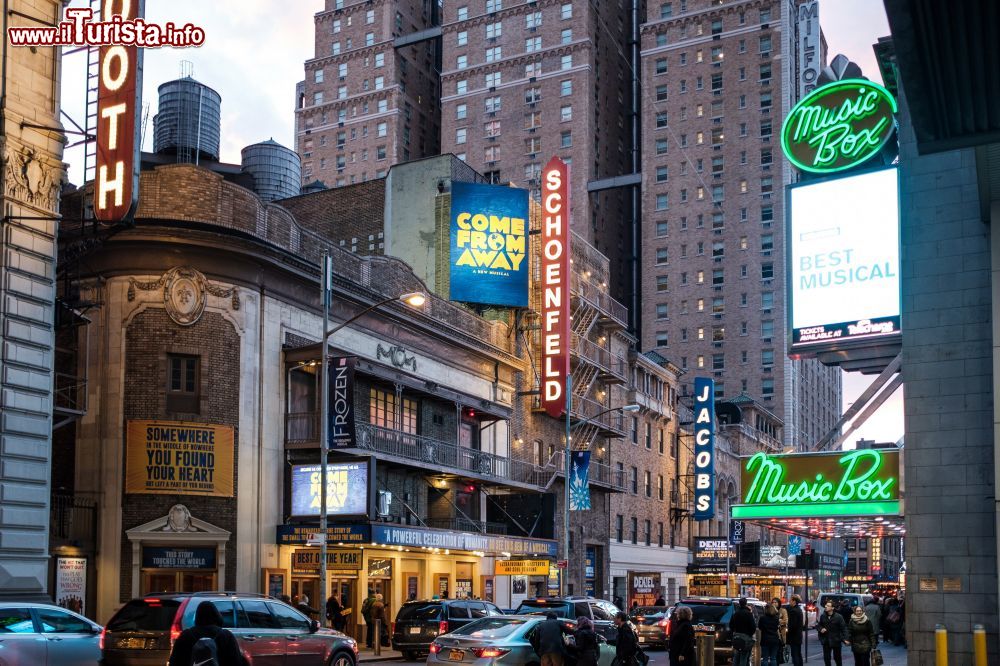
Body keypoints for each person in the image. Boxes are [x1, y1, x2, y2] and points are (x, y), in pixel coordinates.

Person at [168, 602, 248, 666]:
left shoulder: (185, 636)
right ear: (217, 615)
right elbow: (236, 662)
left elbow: (175, 662)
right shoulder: (226, 636)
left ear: (197, 616)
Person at [817, 601, 847, 666]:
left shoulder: (839, 617)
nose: (825, 606)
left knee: (837, 658)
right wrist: (821, 629)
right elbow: (819, 625)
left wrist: (845, 639)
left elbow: (844, 628)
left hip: (836, 640)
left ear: (832, 608)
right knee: (827, 659)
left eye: (828, 606)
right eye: (826, 605)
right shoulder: (823, 616)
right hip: (826, 640)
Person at [730, 598, 757, 666]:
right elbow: (753, 627)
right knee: (744, 656)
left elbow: (731, 625)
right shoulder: (748, 614)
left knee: (736, 655)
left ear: (739, 603)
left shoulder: (735, 613)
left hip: (737, 636)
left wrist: (735, 631)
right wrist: (749, 634)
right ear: (746, 603)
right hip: (746, 636)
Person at [784, 595, 805, 666]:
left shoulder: (794, 611)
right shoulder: (798, 609)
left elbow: (792, 625)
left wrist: (787, 631)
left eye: (790, 600)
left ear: (794, 601)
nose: (789, 601)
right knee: (798, 653)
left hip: (794, 637)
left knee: (795, 654)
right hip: (798, 636)